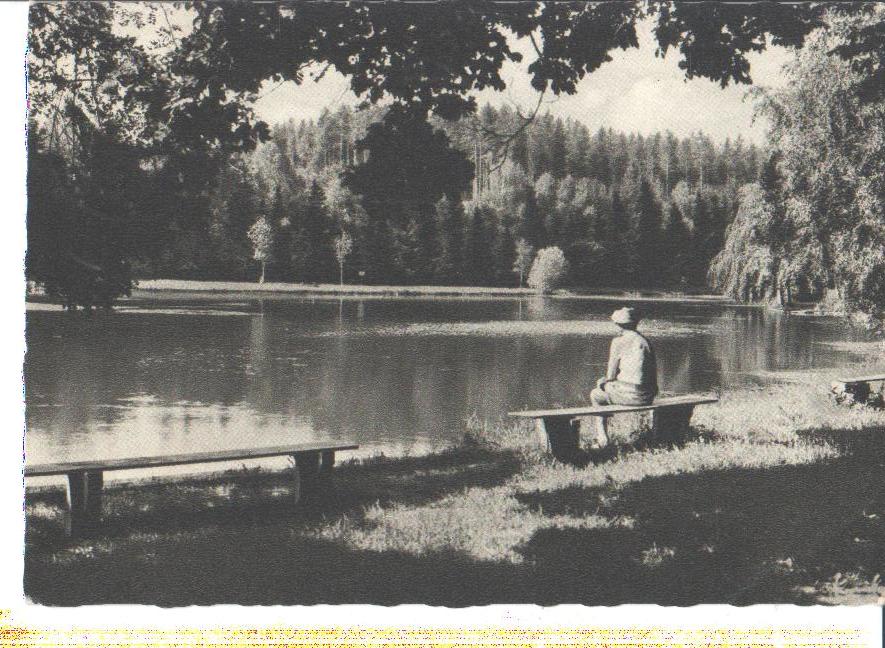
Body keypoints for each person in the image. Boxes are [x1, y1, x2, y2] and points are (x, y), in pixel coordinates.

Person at [588, 307, 658, 448]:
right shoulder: (645, 342)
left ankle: (602, 439)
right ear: (635, 323)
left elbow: (610, 376)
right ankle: (655, 434)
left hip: (630, 396)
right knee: (609, 386)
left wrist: (603, 383)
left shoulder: (618, 342)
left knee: (596, 394)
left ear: (618, 325)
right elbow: (652, 375)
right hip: (647, 396)